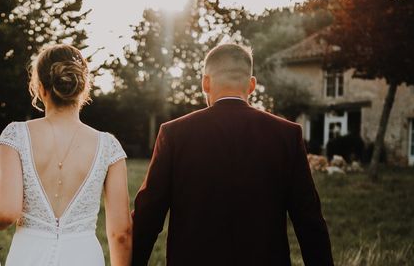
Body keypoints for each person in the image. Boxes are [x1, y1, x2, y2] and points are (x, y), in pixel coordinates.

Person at [131, 43, 334, 265]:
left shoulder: (174, 134)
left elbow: (147, 218)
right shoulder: (287, 135)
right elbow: (309, 222)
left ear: (205, 83)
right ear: (252, 85)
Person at [0, 44, 132, 266]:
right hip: (84, 257)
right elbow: (121, 233)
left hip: (29, 255)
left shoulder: (16, 135)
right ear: (83, 87)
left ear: (40, 88)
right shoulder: (109, 146)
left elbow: (7, 212)